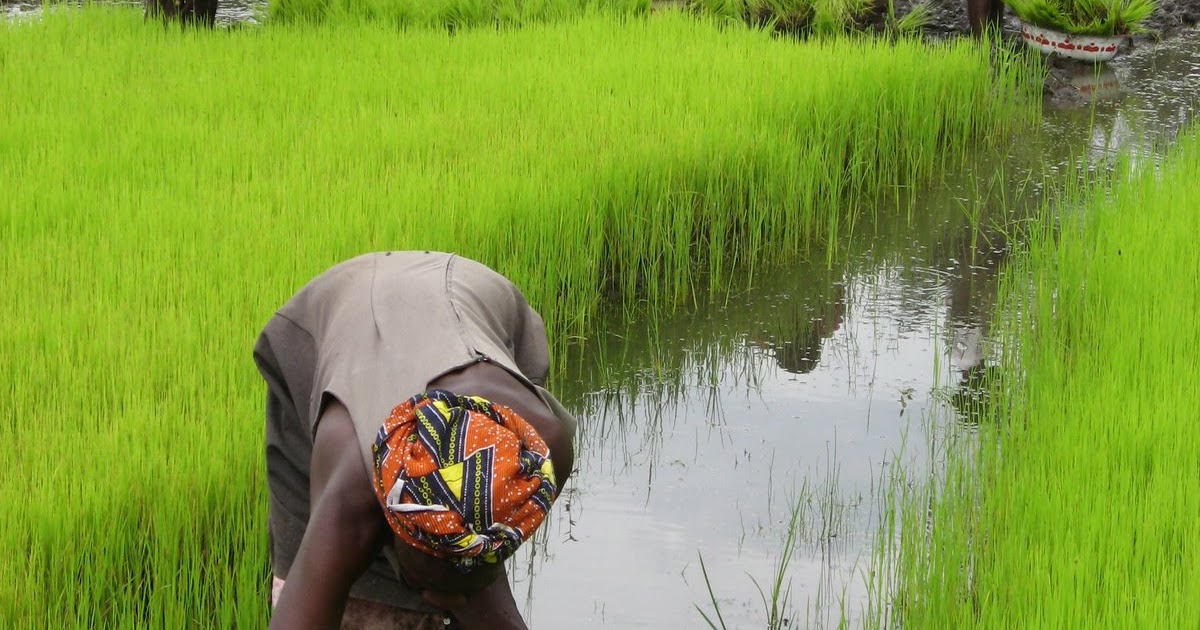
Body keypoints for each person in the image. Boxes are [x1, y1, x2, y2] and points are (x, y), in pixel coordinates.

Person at [253, 251, 578, 629]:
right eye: (422, 583)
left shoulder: (542, 449)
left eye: (463, 589)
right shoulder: (349, 491)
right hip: (337, 315)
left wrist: (466, 594)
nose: (437, 599)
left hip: (467, 294)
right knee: (350, 597)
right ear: (395, 528)